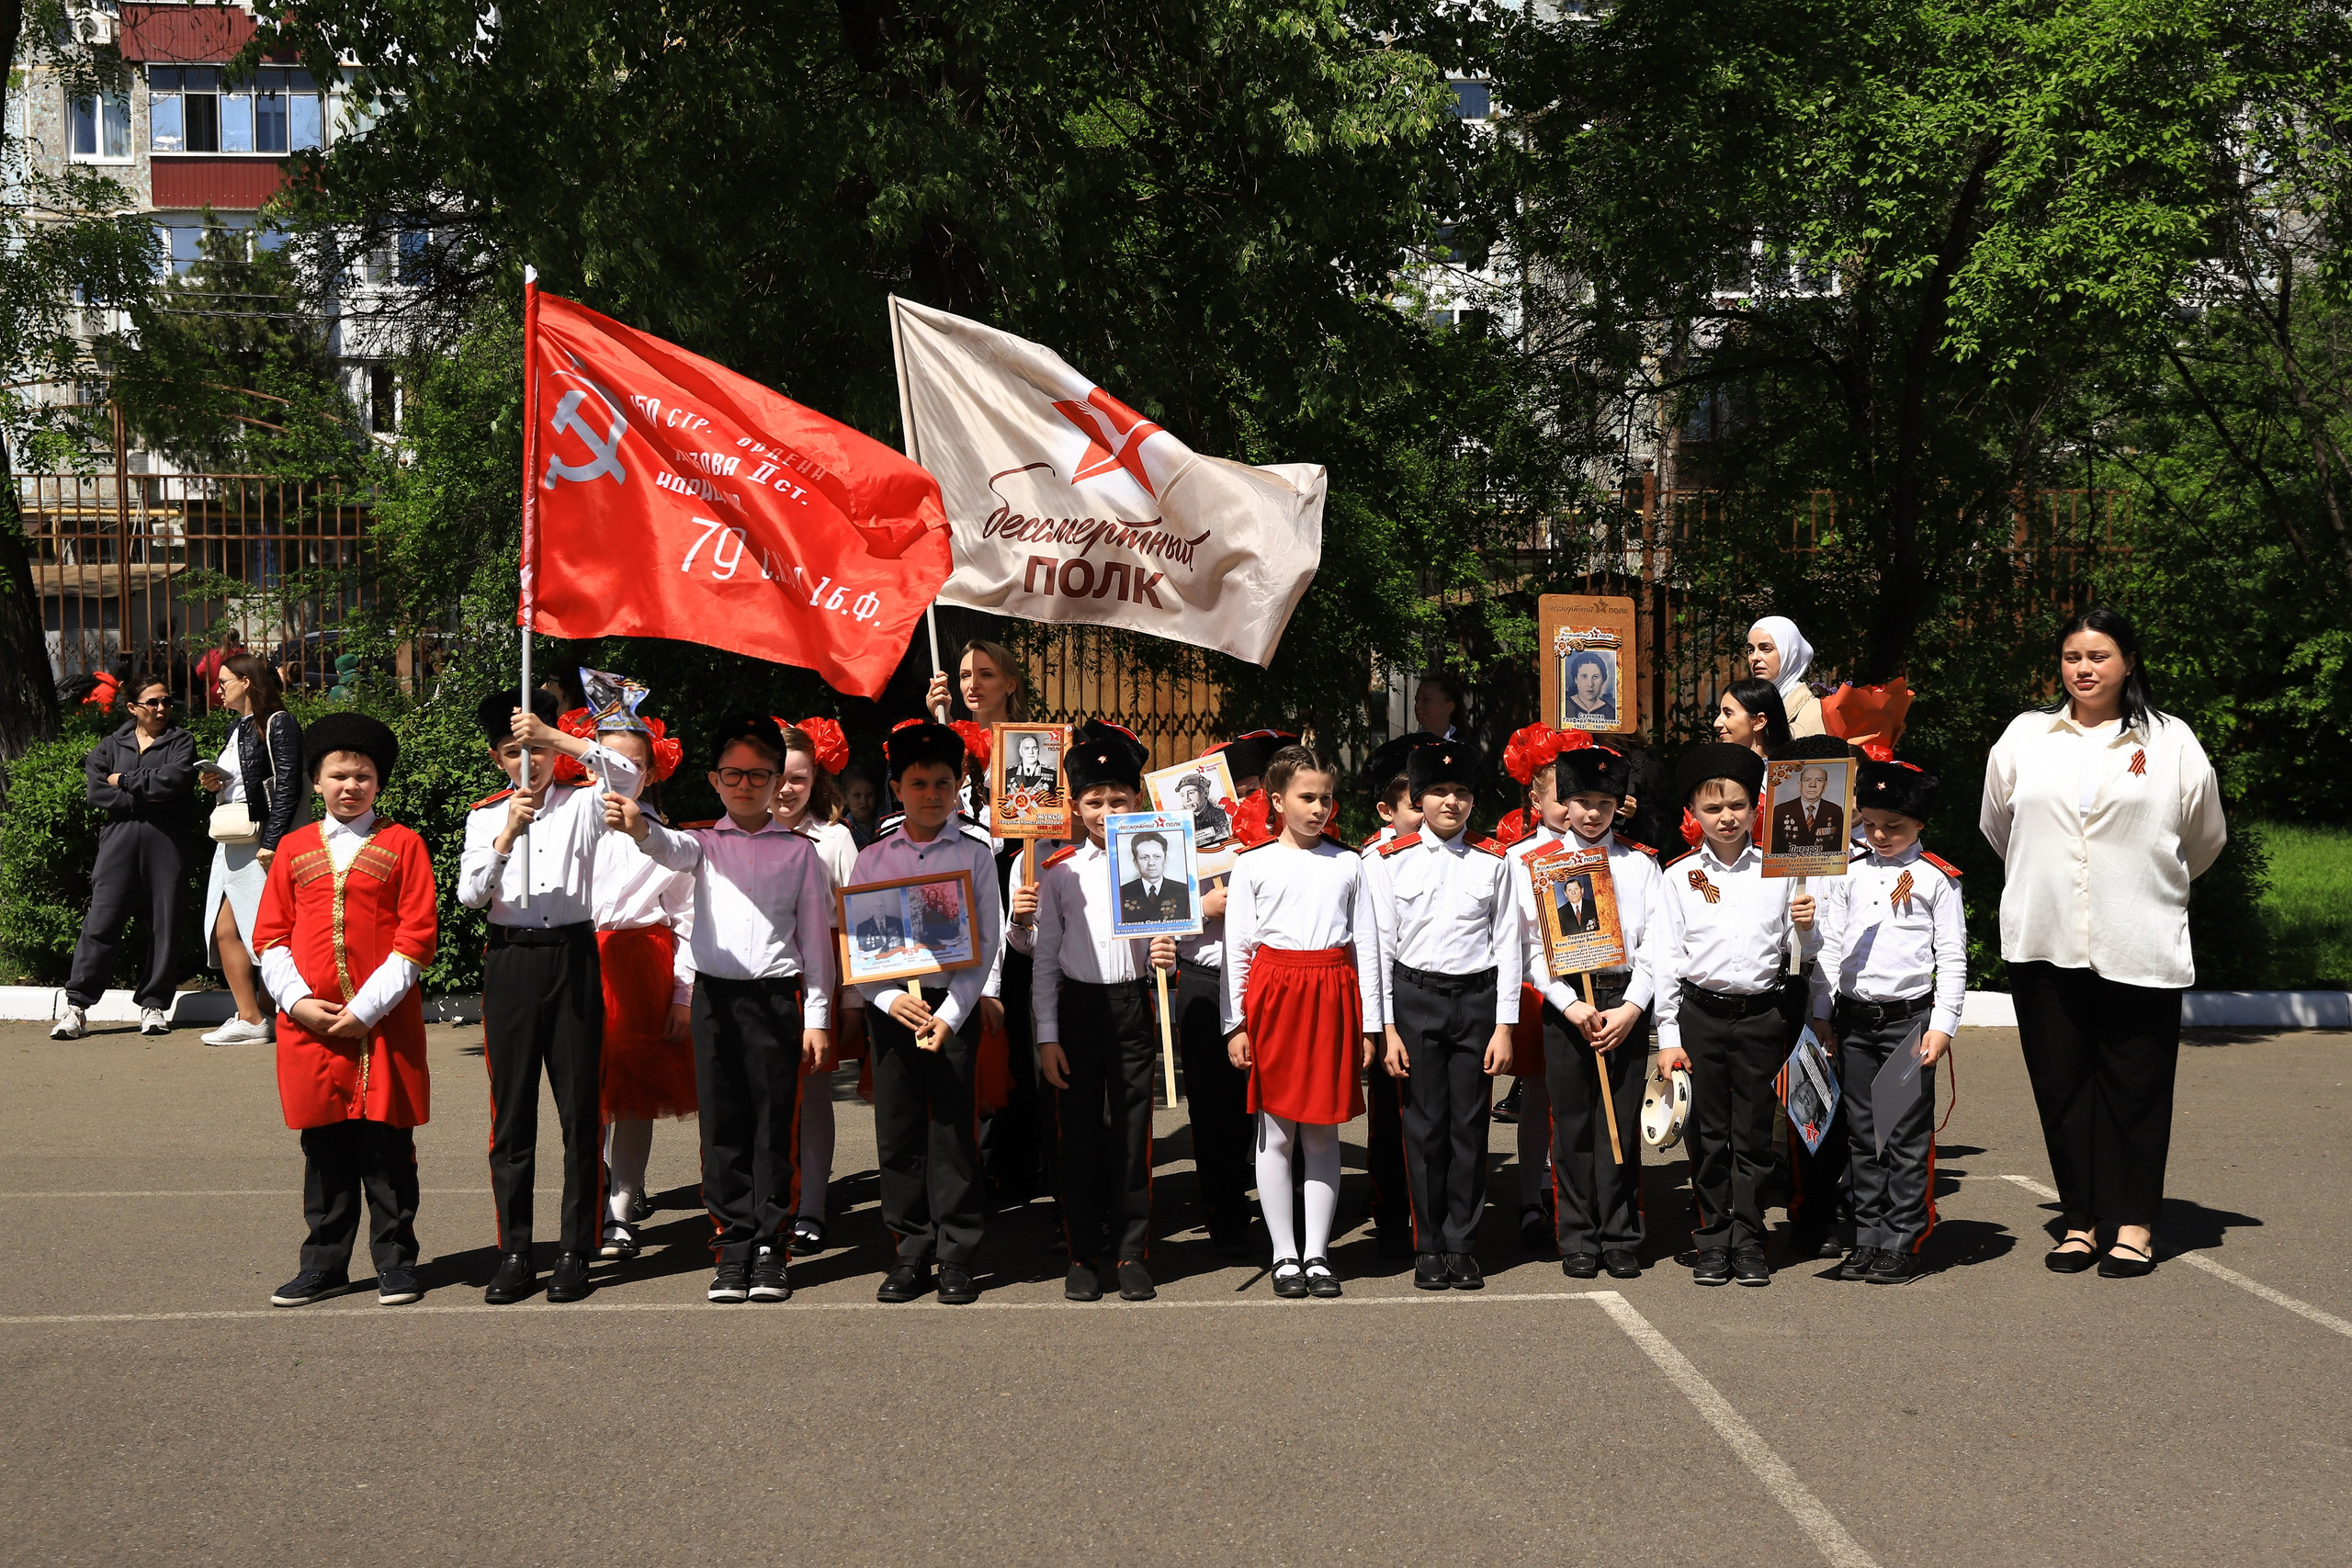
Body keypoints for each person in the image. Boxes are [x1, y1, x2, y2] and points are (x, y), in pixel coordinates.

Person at [1980, 606, 2226, 1279]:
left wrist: (2143, 884)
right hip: (2043, 937)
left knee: (2136, 1088)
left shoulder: (2171, 740)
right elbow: (2000, 823)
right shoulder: (2027, 736)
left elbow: (2202, 837)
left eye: (2098, 656)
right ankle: (2081, 1220)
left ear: (2129, 662)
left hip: (2138, 937)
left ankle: (2137, 1223)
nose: (2084, 669)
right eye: (2071, 657)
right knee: (2063, 1088)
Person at [611, 716, 835, 1304]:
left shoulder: (800, 856)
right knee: (723, 1129)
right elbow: (665, 844)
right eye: (733, 774)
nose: (745, 785)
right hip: (715, 1001)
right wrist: (637, 826)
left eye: (758, 774)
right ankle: (732, 1247)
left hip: (773, 1003)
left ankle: (770, 1248)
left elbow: (816, 944)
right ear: (714, 780)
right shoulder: (702, 845)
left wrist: (818, 1018)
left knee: (772, 1128)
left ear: (774, 779)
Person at [458, 690, 643, 1305]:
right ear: (498, 759)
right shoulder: (485, 815)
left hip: (571, 954)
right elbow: (470, 894)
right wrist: (509, 828)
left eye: (535, 748)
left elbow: (629, 773)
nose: (529, 761)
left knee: (579, 1110)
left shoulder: (582, 803)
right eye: (516, 752)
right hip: (510, 959)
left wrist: (562, 738)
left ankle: (575, 1249)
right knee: (511, 1115)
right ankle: (515, 1251)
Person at [253, 714, 436, 1308]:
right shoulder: (293, 847)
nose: (350, 785)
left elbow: (416, 937)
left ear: (378, 783)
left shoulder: (403, 843)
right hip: (310, 1029)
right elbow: (270, 935)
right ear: (317, 781)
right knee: (325, 1151)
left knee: (387, 1150)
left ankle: (395, 1262)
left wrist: (365, 1010)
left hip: (382, 1027)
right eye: (338, 774)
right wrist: (299, 1002)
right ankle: (324, 1265)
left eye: (363, 775)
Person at [1022, 720, 1178, 1303]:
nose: (1107, 809)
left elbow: (1177, 940)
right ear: (1076, 803)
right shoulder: (1059, 871)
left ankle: (1132, 1250)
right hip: (1080, 1010)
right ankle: (1084, 1252)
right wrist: (1047, 1036)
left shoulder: (1158, 854)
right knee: (1080, 1138)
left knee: (1133, 1135)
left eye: (1118, 798)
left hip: (1134, 1005)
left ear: (1136, 799)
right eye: (1095, 800)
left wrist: (1168, 950)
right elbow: (1043, 961)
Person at [851, 720, 1005, 1305]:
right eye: (919, 783)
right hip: (895, 1008)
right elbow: (860, 952)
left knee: (952, 1134)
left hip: (949, 1010)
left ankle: (957, 1253)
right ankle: (911, 1249)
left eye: (944, 782)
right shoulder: (874, 858)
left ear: (960, 784)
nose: (932, 795)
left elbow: (986, 941)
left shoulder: (976, 853)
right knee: (899, 1132)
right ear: (897, 788)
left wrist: (953, 1014)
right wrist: (892, 1000)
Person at [1654, 743, 1816, 1287]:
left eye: (1738, 806)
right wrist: (1669, 1035)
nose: (1726, 818)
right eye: (1712, 808)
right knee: (1707, 1134)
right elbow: (1667, 961)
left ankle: (1749, 1238)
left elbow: (1805, 954)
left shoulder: (1783, 868)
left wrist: (1807, 925)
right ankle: (1712, 1239)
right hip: (1699, 1016)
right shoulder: (1676, 876)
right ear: (1693, 813)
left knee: (1751, 1135)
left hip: (1762, 1015)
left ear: (1756, 808)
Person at [1225, 745, 1383, 1298]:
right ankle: (1283, 1253)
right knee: (1276, 1132)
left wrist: (1371, 1026)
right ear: (1276, 801)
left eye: (1327, 798)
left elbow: (1367, 945)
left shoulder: (1349, 863)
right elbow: (1238, 948)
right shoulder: (1253, 864)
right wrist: (1235, 1025)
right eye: (1307, 797)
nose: (1319, 808)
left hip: (1333, 994)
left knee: (1323, 1130)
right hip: (1275, 998)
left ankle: (1317, 1253)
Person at [1363, 737, 1520, 1292]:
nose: (1450, 803)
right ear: (1419, 799)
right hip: (1414, 1000)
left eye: (1461, 792)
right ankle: (1428, 1244)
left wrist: (1504, 1026)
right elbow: (1376, 949)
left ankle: (1464, 1243)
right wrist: (1384, 1029)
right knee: (1424, 1126)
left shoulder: (1495, 860)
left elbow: (1508, 944)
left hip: (1476, 1002)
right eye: (1437, 792)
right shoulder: (1386, 862)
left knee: (1469, 1128)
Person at [1809, 754, 1965, 1285]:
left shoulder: (1936, 880)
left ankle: (1904, 1238)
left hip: (1907, 1021)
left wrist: (1942, 1024)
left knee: (1902, 1133)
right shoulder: (1847, 872)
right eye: (1869, 822)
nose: (1878, 834)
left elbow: (1952, 957)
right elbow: (1830, 946)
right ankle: (1868, 1236)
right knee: (1861, 1132)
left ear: (1920, 823)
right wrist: (1822, 1010)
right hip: (1853, 1019)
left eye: (1892, 826)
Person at [1527, 742, 1665, 1280]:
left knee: (1619, 1123)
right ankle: (1578, 1235)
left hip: (1625, 1002)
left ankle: (1620, 1233)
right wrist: (1571, 1005)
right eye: (1580, 801)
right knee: (1576, 1123)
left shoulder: (1640, 864)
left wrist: (1633, 1008)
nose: (1591, 813)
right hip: (1569, 1006)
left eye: (1604, 802)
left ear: (1619, 805)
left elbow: (1658, 945)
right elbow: (1531, 949)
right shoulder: (1539, 864)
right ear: (1563, 801)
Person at [926, 638, 1049, 1208]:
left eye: (986, 674)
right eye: (964, 675)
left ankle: (1024, 1161)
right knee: (966, 1027)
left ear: (1011, 683)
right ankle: (973, 1162)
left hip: (1017, 877)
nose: (972, 685)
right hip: (962, 883)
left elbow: (1050, 827)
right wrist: (938, 727)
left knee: (1021, 1029)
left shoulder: (1036, 748)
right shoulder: (950, 742)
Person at [1167, 727, 1294, 1259]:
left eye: (1258, 787)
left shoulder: (1291, 842)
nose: (1249, 799)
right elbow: (1152, 911)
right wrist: (1204, 909)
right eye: (1239, 788)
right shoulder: (1183, 837)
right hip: (1203, 978)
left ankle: (1284, 1215)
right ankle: (1223, 1215)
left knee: (1277, 1106)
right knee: (1214, 1108)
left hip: (1272, 984)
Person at [576, 705, 695, 1265]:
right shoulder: (569, 821)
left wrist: (682, 994)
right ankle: (591, 1200)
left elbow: (688, 918)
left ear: (650, 772)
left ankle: (621, 1209)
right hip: (579, 958)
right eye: (606, 759)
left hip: (642, 963)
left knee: (635, 1095)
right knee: (586, 1092)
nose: (617, 771)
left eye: (632, 762)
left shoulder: (666, 840)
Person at [51, 676, 198, 1040]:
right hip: (118, 839)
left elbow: (176, 781)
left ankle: (154, 1006)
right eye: (153, 702)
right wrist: (147, 790)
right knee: (102, 919)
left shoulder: (181, 741)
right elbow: (97, 792)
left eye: (167, 701)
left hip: (166, 840)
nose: (162, 709)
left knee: (164, 922)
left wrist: (126, 781)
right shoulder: (108, 745)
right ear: (133, 708)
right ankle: (77, 1007)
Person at [769, 719, 860, 1258]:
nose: (785, 788)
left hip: (817, 979)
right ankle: (771, 1203)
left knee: (813, 1098)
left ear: (816, 781)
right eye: (776, 776)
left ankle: (812, 1209)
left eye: (798, 779)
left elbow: (852, 921)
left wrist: (851, 1000)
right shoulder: (739, 832)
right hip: (760, 977)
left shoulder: (836, 839)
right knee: (766, 1099)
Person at [197, 654, 305, 1047]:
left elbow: (289, 784)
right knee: (223, 928)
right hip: (234, 841)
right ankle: (254, 1016)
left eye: (224, 681)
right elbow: (242, 782)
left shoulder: (278, 722)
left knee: (267, 932)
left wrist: (274, 842)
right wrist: (215, 784)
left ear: (246, 681)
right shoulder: (238, 727)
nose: (218, 688)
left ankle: (263, 1013)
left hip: (260, 842)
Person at [1354, 735, 1430, 1254]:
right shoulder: (1372, 858)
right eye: (1414, 805)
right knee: (1390, 1111)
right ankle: (1389, 1211)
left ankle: (1432, 1210)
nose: (1427, 813)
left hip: (1442, 993)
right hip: (1390, 996)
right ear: (1388, 809)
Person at [1747, 616, 1826, 738]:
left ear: (1790, 654)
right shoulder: (1748, 706)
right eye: (1750, 650)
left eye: (1766, 649)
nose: (1754, 657)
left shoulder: (1814, 713)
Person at [1117, 830, 1192, 924]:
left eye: (1157, 857)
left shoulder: (1184, 891)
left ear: (1165, 860)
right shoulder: (1121, 893)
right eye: (1144, 857)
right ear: (1135, 863)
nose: (1151, 863)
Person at [1770, 763, 1846, 852]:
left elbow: (1837, 848)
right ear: (1800, 785)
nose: (1812, 785)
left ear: (1825, 786)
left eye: (1819, 780)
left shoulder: (1835, 811)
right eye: (1807, 780)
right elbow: (1775, 849)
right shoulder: (1781, 811)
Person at [1715, 677, 1792, 759]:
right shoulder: (1717, 770)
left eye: (1728, 713)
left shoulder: (1791, 770)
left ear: (1759, 722)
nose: (1716, 723)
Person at [191, 629, 242, 713]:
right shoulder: (240, 655)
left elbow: (199, 672)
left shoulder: (212, 655)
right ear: (236, 641)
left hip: (213, 698)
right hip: (235, 698)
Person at [1175, 773, 1230, 847]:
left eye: (1191, 793)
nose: (1187, 799)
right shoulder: (1183, 823)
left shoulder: (1223, 817)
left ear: (1205, 793)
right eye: (1182, 795)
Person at [1563, 649, 1616, 725]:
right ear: (1576, 679)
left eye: (1595, 677)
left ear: (1603, 680)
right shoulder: (1563, 708)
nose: (1590, 684)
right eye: (1584, 676)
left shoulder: (1610, 712)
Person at [1413, 674, 1467, 741]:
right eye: (1417, 699)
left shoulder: (1461, 748)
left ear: (1449, 707)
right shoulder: (1408, 744)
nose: (1418, 705)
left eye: (1426, 700)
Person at [842, 768, 885, 848]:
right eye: (857, 795)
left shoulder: (885, 821)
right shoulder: (844, 830)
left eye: (869, 794)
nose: (863, 801)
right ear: (845, 798)